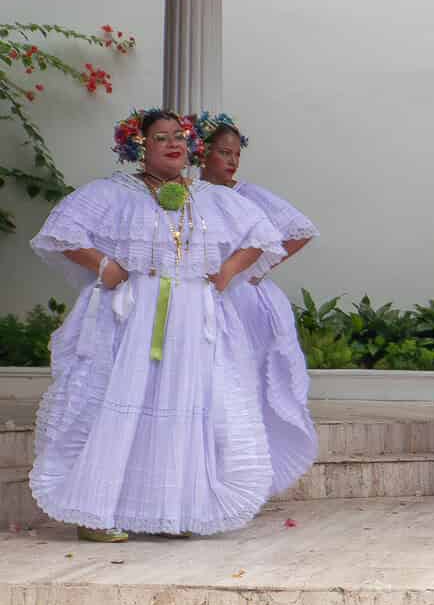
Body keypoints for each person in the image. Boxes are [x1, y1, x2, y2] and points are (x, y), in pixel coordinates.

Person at [29, 108, 284, 541]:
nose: (173, 144)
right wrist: (105, 265)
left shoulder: (211, 196)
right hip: (134, 311)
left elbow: (262, 237)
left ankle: (172, 509)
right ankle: (94, 512)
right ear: (139, 145)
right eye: (161, 137)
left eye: (179, 137)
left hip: (190, 313)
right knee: (119, 398)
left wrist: (225, 273)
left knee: (185, 405)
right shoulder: (113, 193)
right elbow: (62, 233)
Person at [194, 112, 320, 499]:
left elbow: (300, 230)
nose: (231, 161)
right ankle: (215, 470)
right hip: (202, 294)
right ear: (203, 154)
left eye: (236, 154)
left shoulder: (247, 195)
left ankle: (253, 473)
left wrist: (258, 266)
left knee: (250, 380)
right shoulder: (189, 193)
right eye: (223, 153)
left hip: (244, 296)